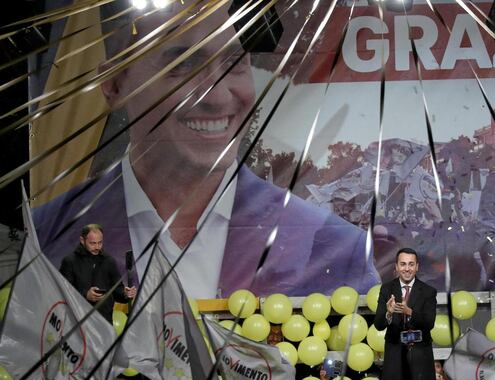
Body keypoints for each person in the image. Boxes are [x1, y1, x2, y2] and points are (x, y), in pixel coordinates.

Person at [33, 0, 378, 299]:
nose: (215, 97)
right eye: (182, 65)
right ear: (114, 85)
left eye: (234, 63)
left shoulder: (336, 249)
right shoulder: (46, 238)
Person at [373, 248, 437, 380]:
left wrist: (409, 312)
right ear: (396, 267)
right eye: (403, 264)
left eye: (411, 264)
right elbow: (378, 325)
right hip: (396, 354)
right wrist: (388, 313)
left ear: (417, 267)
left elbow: (429, 323)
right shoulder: (387, 289)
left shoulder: (428, 291)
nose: (407, 268)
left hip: (420, 354)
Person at [59, 224, 137, 323]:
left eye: (100, 243)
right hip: (78, 323)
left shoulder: (109, 261)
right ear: (82, 240)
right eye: (93, 243)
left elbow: (118, 292)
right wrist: (85, 295)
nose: (97, 247)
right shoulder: (69, 262)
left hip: (104, 324)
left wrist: (126, 294)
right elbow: (62, 292)